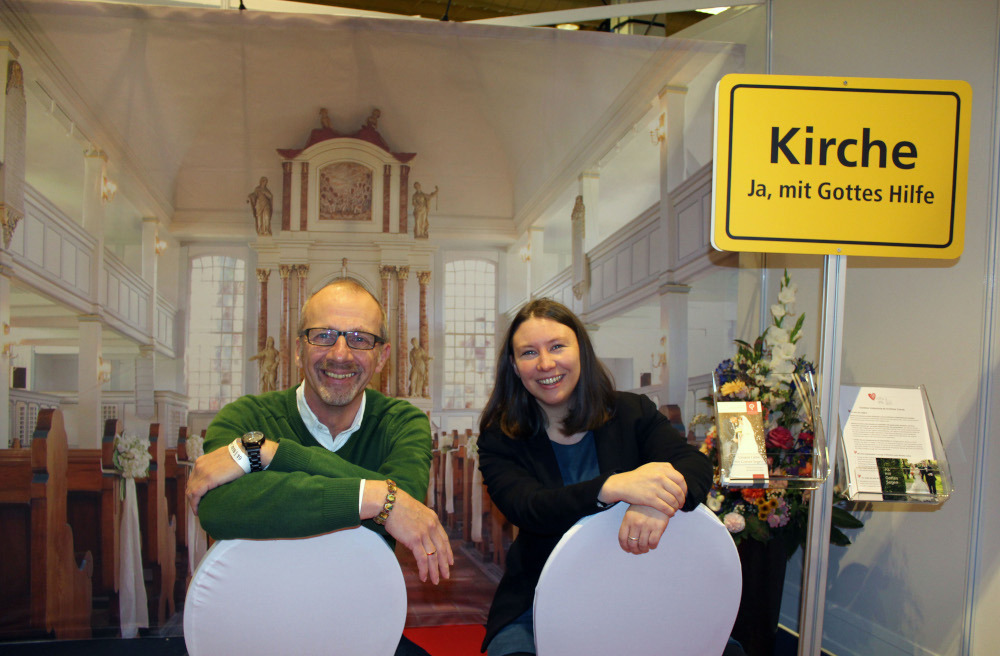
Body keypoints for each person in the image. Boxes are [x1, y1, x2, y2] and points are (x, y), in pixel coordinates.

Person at [185, 279, 452, 655]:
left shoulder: (402, 422)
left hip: (363, 624)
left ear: (383, 356)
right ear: (298, 349)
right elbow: (218, 507)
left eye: (360, 339)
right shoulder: (246, 416)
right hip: (255, 623)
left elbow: (403, 504)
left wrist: (275, 454)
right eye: (323, 335)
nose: (340, 353)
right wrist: (373, 495)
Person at [476, 298, 714, 656]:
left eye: (557, 347)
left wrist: (656, 505)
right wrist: (612, 487)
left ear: (581, 352)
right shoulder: (500, 436)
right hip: (540, 593)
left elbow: (694, 466)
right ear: (514, 365)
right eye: (528, 353)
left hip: (638, 587)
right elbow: (528, 507)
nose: (545, 364)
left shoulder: (631, 412)